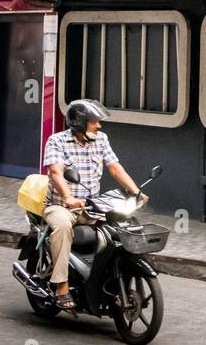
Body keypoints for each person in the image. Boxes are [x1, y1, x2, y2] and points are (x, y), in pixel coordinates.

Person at [42, 99, 148, 309]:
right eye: (93, 122)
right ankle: (61, 285)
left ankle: (109, 277)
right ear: (80, 123)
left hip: (92, 206)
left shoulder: (101, 139)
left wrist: (136, 191)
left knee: (122, 226)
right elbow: (56, 172)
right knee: (63, 226)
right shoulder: (57, 141)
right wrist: (69, 198)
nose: (98, 126)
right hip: (62, 206)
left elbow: (115, 168)